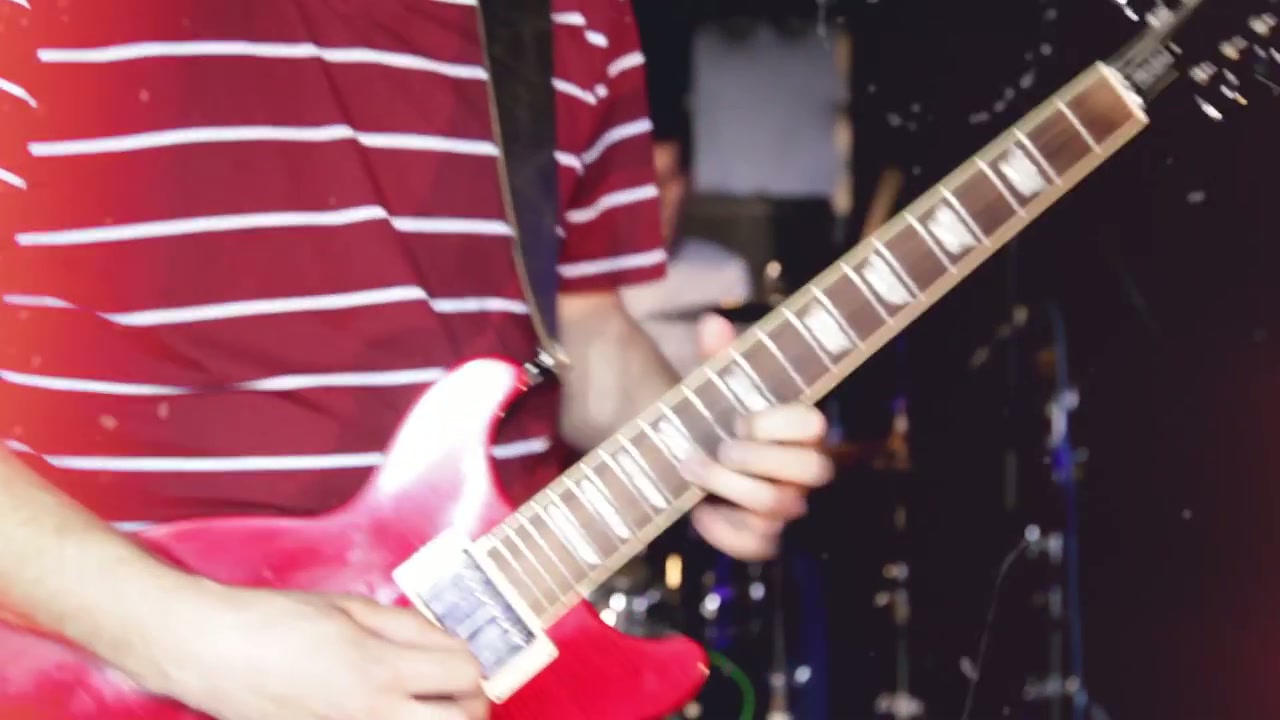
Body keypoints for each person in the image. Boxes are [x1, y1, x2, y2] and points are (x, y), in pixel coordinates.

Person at [0, 2, 833, 720]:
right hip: (109, 676)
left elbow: (584, 332)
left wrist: (709, 451)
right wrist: (192, 642)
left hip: (489, 665)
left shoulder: (575, 16)